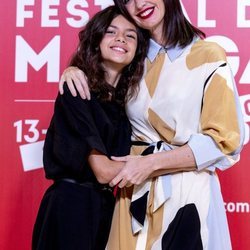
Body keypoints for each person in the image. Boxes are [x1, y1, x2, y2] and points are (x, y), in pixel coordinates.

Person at [59, 1, 245, 249]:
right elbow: (100, 86)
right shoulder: (132, 59)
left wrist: (150, 163)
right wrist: (74, 69)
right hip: (134, 193)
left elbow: (224, 143)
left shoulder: (208, 56)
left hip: (186, 192)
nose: (139, 4)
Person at [32, 5, 149, 250]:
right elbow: (104, 171)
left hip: (108, 209)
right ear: (96, 40)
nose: (121, 39)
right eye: (111, 31)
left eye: (130, 35)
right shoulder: (77, 89)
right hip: (71, 209)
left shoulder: (127, 104)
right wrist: (164, 167)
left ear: (138, 50)